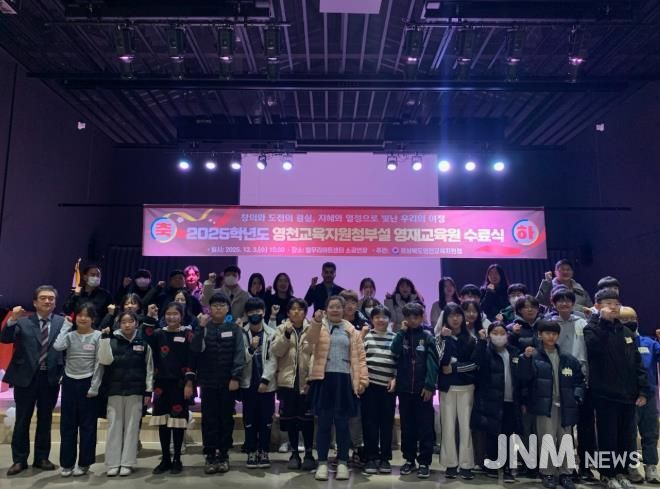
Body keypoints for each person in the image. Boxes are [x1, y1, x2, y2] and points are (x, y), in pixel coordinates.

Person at [584, 289, 649, 489]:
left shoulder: (627, 332)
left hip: (627, 394)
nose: (613, 307)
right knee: (607, 436)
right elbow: (595, 349)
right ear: (597, 306)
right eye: (608, 303)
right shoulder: (591, 328)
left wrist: (643, 390)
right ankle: (607, 474)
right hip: (604, 394)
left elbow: (637, 363)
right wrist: (603, 323)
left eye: (616, 303)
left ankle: (621, 473)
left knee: (625, 437)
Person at [1, 285, 64, 476]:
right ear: (35, 302)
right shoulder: (22, 322)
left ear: (55, 302)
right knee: (22, 419)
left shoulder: (62, 322)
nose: (47, 301)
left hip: (49, 378)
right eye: (43, 298)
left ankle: (41, 458)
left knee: (45, 419)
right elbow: (5, 338)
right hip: (25, 378)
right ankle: (19, 460)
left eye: (51, 298)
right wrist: (12, 319)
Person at [307, 296, 368, 481]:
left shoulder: (352, 330)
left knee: (342, 425)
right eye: (331, 307)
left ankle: (342, 462)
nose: (335, 310)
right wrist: (316, 322)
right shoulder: (319, 326)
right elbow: (310, 340)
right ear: (326, 309)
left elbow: (361, 357)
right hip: (324, 379)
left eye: (338, 307)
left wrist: (362, 380)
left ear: (343, 309)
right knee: (324, 424)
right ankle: (322, 463)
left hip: (344, 381)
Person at [519, 319, 585, 489]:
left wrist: (576, 397)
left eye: (554, 333)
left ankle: (566, 473)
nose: (551, 336)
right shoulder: (532, 356)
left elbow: (579, 381)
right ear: (540, 335)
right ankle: (547, 473)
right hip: (544, 405)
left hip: (565, 405)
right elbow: (524, 379)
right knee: (546, 439)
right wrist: (525, 359)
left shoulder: (568, 358)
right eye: (547, 333)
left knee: (566, 440)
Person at [191, 292, 246, 474]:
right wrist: (200, 327)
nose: (218, 308)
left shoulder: (234, 329)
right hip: (207, 382)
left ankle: (223, 454)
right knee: (209, 419)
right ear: (209, 308)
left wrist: (235, 377)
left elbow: (239, 353)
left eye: (222, 305)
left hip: (227, 381)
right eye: (215, 305)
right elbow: (195, 349)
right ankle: (210, 455)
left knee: (226, 419)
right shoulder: (203, 327)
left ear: (228, 308)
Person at [95, 310, 154, 477]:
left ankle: (127, 463)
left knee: (132, 428)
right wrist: (104, 339)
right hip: (114, 391)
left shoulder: (144, 343)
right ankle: (113, 463)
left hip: (136, 392)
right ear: (119, 324)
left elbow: (149, 369)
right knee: (114, 427)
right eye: (123, 322)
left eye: (130, 321)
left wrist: (148, 391)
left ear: (136, 323)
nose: (127, 325)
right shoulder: (111, 340)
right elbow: (104, 361)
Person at [142, 302, 195, 475]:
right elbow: (145, 338)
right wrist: (150, 317)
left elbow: (191, 359)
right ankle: (165, 459)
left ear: (181, 316)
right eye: (168, 314)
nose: (171, 317)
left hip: (180, 385)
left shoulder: (187, 334)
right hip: (161, 385)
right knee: (163, 423)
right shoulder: (158, 334)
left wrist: (189, 383)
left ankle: (177, 459)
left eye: (175, 314)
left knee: (178, 424)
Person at [549, 287, 594, 482]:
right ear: (554, 303)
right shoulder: (550, 323)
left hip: (581, 378)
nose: (564, 303)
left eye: (568, 300)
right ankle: (561, 466)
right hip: (559, 380)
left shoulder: (582, 322)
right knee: (562, 427)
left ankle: (584, 466)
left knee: (584, 426)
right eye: (560, 300)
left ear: (573, 303)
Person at [53, 303, 103, 477]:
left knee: (88, 426)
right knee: (67, 425)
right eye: (80, 315)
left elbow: (99, 363)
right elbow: (57, 346)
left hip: (88, 382)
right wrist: (66, 326)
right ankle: (67, 464)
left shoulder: (98, 336)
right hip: (69, 382)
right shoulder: (70, 335)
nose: (83, 318)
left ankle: (84, 463)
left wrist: (94, 386)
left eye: (87, 315)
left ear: (93, 319)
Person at [391, 302, 439, 479]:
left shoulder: (427, 337)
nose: (412, 320)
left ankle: (424, 462)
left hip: (423, 391)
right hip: (404, 391)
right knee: (407, 427)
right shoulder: (401, 336)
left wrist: (429, 385)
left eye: (416, 317)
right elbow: (394, 351)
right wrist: (401, 332)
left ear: (421, 317)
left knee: (425, 428)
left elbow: (433, 363)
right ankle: (409, 459)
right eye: (409, 317)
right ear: (404, 318)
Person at [471, 322, 522, 482]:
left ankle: (506, 467)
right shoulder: (485, 351)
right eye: (495, 333)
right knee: (492, 434)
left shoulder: (514, 352)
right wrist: (481, 342)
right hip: (491, 400)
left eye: (502, 333)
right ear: (489, 335)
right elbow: (476, 362)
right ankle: (493, 464)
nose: (499, 336)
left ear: (507, 335)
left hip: (511, 400)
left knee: (508, 434)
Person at [270, 298, 317, 471]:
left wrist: (311, 379)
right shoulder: (281, 329)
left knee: (307, 420)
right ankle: (294, 453)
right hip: (287, 382)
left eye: (300, 309)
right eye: (293, 309)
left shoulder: (312, 329)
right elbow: (276, 351)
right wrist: (287, 335)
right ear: (288, 312)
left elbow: (315, 355)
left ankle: (309, 454)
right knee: (290, 419)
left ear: (305, 312)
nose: (296, 312)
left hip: (307, 382)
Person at [619, 307, 660, 484]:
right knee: (629, 434)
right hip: (627, 396)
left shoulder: (649, 343)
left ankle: (651, 467)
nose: (629, 322)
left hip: (648, 395)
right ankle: (631, 466)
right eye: (624, 319)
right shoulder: (617, 342)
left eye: (632, 318)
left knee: (650, 433)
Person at [437, 303, 477, 480]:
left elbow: (475, 364)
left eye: (458, 315)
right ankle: (451, 464)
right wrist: (445, 339)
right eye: (451, 315)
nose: (455, 319)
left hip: (467, 387)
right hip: (447, 388)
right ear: (445, 318)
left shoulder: (471, 339)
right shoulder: (440, 338)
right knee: (447, 427)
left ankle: (467, 464)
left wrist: (454, 368)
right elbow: (440, 361)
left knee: (466, 427)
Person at [240, 297, 277, 469]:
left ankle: (264, 450)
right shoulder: (241, 333)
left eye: (258, 311)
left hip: (267, 385)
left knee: (266, 420)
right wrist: (251, 349)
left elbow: (274, 359)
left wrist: (265, 380)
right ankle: (251, 450)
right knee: (249, 420)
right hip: (248, 384)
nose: (255, 314)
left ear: (263, 312)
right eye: (251, 312)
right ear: (247, 314)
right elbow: (240, 359)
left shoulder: (272, 333)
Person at [361, 305, 397, 475]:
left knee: (386, 424)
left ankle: (385, 459)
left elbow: (400, 362)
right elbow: (360, 360)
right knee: (370, 423)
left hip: (388, 389)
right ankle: (371, 457)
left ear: (389, 320)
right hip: (370, 387)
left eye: (384, 317)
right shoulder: (367, 337)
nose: (381, 320)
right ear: (372, 319)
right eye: (377, 317)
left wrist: (396, 378)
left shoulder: (395, 338)